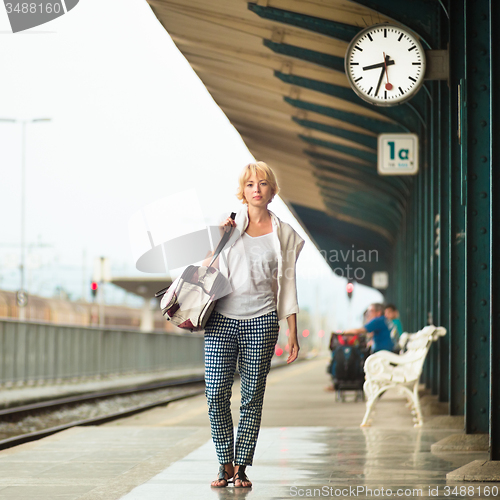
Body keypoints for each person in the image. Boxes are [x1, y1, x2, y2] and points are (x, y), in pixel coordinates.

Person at [202, 161, 304, 488]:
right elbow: (206, 269)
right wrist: (220, 239)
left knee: (251, 397)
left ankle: (241, 467)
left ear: (272, 192)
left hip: (262, 320)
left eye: (262, 184)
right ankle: (224, 460)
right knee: (216, 391)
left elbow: (288, 284)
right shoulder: (229, 226)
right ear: (242, 192)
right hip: (221, 319)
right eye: (249, 184)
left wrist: (292, 331)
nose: (256, 189)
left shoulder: (284, 233)